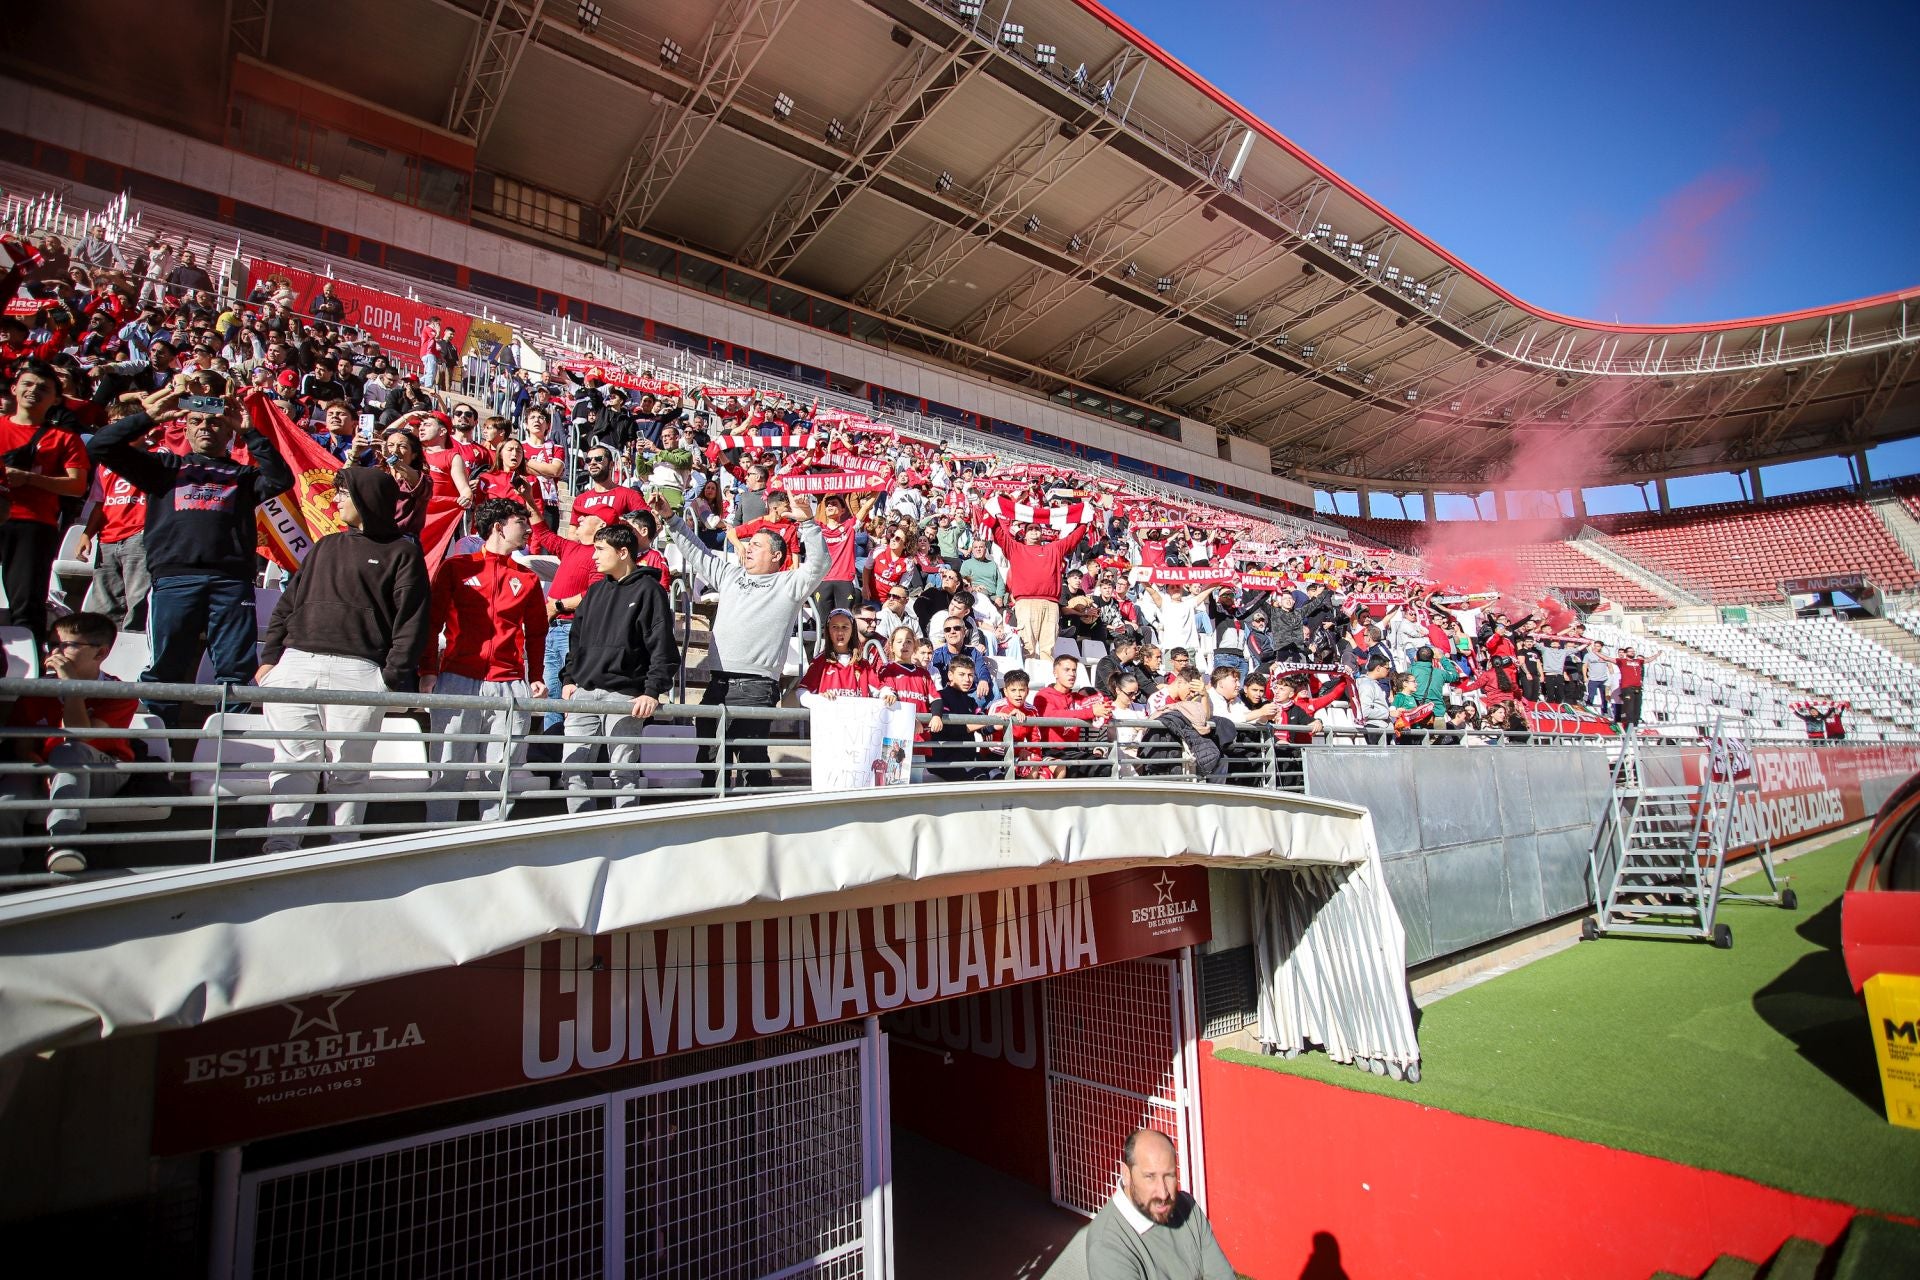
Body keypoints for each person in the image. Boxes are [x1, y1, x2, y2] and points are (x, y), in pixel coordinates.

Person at [87, 377, 293, 717]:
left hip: (230, 583)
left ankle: (227, 750)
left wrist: (250, 432)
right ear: (184, 429)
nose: (206, 428)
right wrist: (148, 417)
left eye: (215, 421)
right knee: (164, 670)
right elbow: (100, 447)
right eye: (196, 421)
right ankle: (156, 752)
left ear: (228, 431)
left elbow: (280, 479)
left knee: (234, 675)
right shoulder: (163, 469)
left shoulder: (243, 476)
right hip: (173, 579)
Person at [255, 468, 429, 852]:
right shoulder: (324, 545)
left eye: (343, 494)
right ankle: (280, 848)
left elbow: (412, 621)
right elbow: (288, 603)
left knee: (348, 772)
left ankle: (342, 850)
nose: (334, 501)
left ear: (366, 499)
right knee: (291, 763)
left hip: (359, 672)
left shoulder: (404, 551)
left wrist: (390, 677)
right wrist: (271, 658)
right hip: (295, 664)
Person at [655, 490, 827, 789]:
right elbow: (696, 551)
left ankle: (756, 822)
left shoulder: (789, 584)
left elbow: (818, 564)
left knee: (750, 760)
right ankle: (709, 813)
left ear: (776, 555)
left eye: (756, 545)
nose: (747, 548)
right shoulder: (729, 575)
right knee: (709, 757)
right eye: (748, 543)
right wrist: (671, 519)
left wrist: (809, 524)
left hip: (756, 686)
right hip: (718, 682)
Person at [420, 498, 549, 824]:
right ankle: (437, 844)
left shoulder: (528, 578)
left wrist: (535, 676)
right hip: (458, 679)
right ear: (499, 526)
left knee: (499, 779)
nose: (527, 528)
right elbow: (431, 622)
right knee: (448, 773)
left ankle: (491, 848)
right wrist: (427, 671)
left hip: (508, 684)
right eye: (521, 522)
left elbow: (536, 632)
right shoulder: (456, 568)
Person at [0, 612, 139, 875]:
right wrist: (42, 768)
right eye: (53, 644)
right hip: (44, 769)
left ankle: (64, 844)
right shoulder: (38, 690)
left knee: (69, 752)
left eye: (68, 645)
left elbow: (81, 737)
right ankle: (7, 878)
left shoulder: (120, 693)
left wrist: (70, 687)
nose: (56, 652)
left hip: (103, 770)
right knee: (8, 797)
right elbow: (22, 748)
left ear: (100, 653)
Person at [559, 521, 678, 813]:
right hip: (584, 693)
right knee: (572, 770)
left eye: (600, 549)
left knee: (623, 774)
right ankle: (581, 836)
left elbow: (662, 644)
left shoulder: (651, 591)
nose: (594, 556)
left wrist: (652, 691)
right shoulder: (595, 592)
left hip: (626, 697)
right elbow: (577, 640)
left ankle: (622, 842)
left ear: (623, 552)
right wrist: (569, 679)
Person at [2, 358, 90, 642]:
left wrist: (29, 479)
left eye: (43, 388)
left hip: (34, 526)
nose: (33, 391)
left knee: (27, 603)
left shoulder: (64, 438)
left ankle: (27, 675)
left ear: (55, 399)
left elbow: (76, 486)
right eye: (27, 384)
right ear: (14, 389)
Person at [1084, 1128, 1234, 1280]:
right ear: (1126, 1174)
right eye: (1150, 1177)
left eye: (1169, 1176)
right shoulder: (1107, 1245)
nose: (1163, 1194)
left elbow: (1222, 1275)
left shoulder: (1187, 1207)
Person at [992, 515, 1089, 670]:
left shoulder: (1054, 548)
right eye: (1030, 528)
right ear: (1024, 533)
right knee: (1027, 647)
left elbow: (1073, 539)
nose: (1034, 531)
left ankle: (1046, 684)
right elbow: (998, 535)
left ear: (1042, 532)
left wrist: (1084, 521)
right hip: (1025, 603)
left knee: (1048, 649)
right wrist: (993, 515)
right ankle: (1027, 684)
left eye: (1037, 528)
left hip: (1050, 604)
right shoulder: (1016, 548)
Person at [797, 609, 879, 706]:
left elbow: (879, 690)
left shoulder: (862, 663)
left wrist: (887, 694)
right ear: (828, 631)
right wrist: (819, 699)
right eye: (835, 627)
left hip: (857, 719)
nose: (840, 632)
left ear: (852, 631)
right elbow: (802, 692)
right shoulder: (820, 661)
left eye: (845, 627)